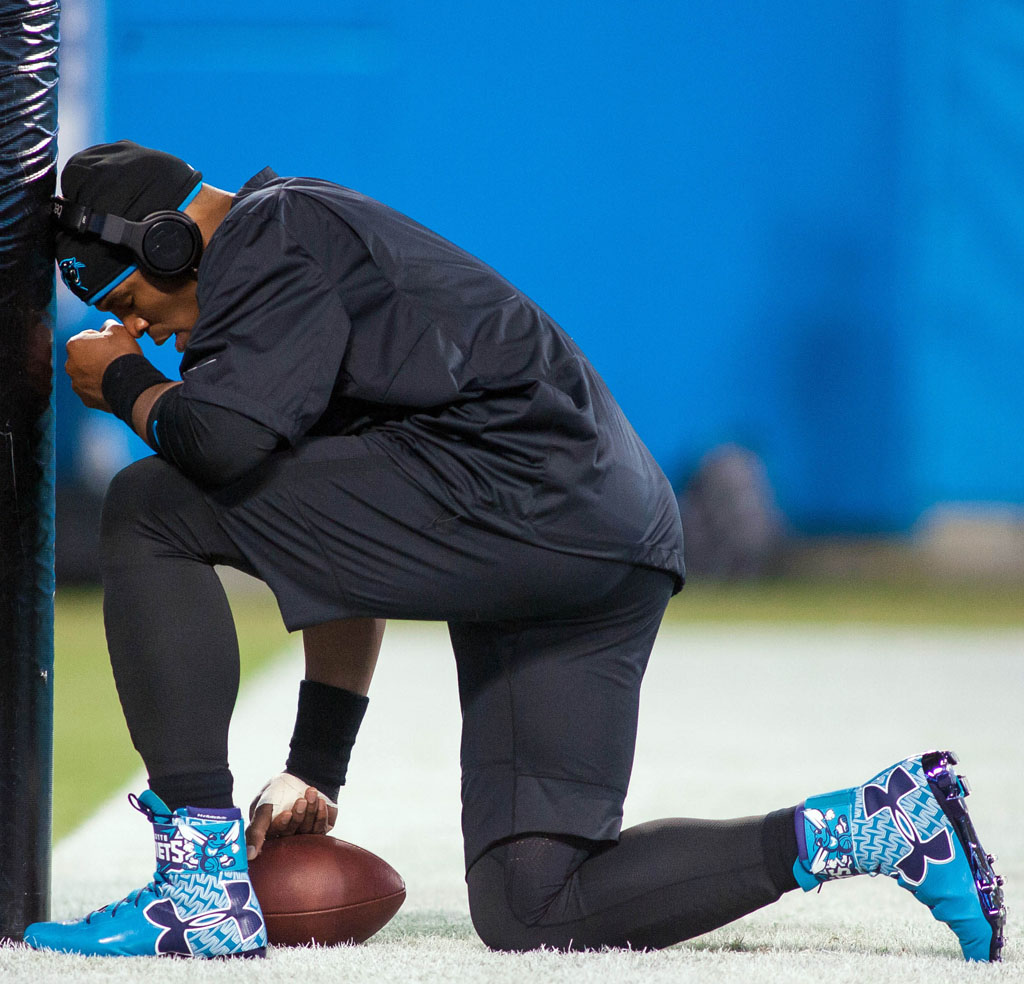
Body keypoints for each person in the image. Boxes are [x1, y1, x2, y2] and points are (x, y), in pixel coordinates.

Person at [26, 141, 1004, 961]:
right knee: (538, 905)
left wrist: (121, 385)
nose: (129, 324)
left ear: (165, 239)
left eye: (123, 293)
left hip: (519, 504)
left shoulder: (269, 241)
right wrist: (318, 760)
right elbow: (325, 535)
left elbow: (222, 449)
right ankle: (875, 824)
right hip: (596, 542)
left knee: (155, 502)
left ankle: (196, 886)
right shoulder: (297, 246)